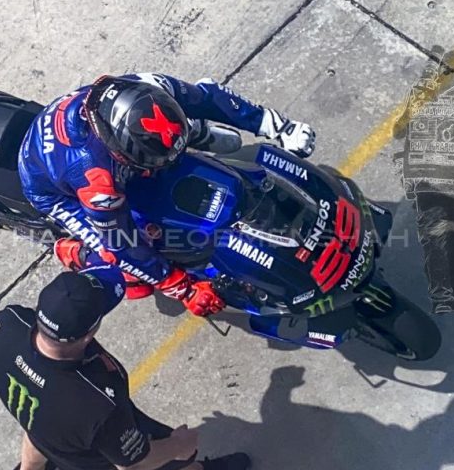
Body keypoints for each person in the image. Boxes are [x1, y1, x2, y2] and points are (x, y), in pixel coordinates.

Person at [18, 73, 317, 317]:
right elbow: (124, 245)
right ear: (121, 156)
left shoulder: (147, 87)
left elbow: (208, 97)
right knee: (126, 270)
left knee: (183, 141)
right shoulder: (97, 181)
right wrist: (182, 288)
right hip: (51, 190)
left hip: (85, 138)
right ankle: (75, 253)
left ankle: (187, 136)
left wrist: (279, 127)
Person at [0, 264, 251, 470]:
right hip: (82, 450)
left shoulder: (6, 324)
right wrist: (179, 446)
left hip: (38, 423)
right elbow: (133, 461)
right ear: (88, 335)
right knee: (168, 456)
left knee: (38, 431)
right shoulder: (96, 406)